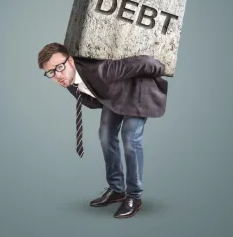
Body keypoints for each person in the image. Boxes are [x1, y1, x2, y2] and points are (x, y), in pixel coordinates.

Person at [37, 42, 168, 218]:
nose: (57, 75)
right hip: (114, 96)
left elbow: (145, 61)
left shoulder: (101, 70)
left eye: (59, 67)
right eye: (51, 72)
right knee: (106, 135)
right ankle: (116, 190)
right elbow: (91, 100)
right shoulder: (67, 81)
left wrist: (160, 69)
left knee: (130, 138)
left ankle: (134, 196)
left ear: (71, 61)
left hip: (137, 91)